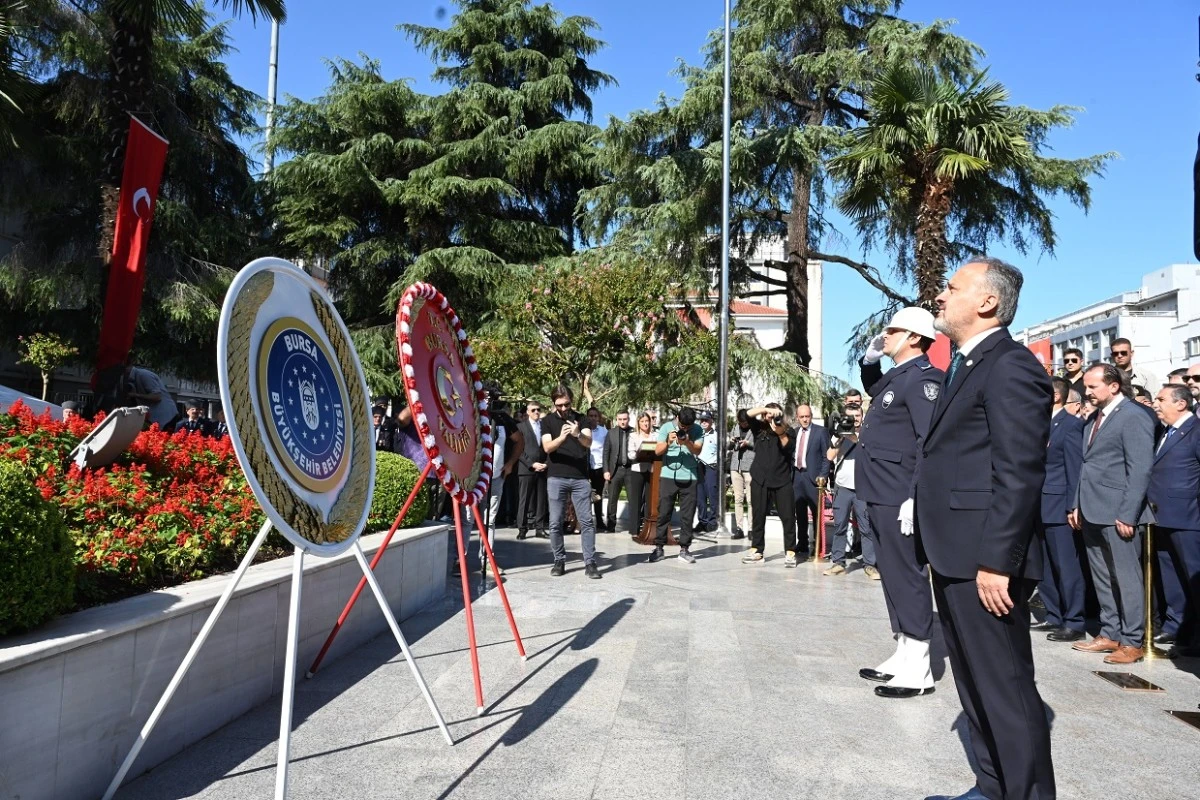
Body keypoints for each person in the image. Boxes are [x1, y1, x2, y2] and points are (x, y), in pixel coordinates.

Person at [918, 257, 1055, 800]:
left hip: (985, 560)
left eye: (952, 288)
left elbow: (1019, 472)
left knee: (1006, 692)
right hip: (954, 552)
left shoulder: (1011, 366)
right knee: (975, 687)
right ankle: (993, 786)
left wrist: (998, 561)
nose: (941, 296)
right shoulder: (967, 363)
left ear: (987, 302)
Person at [855, 306, 943, 700]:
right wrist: (869, 361)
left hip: (898, 493)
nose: (885, 336)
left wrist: (914, 494)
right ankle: (904, 652)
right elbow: (876, 389)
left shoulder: (924, 380)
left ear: (914, 338)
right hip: (879, 490)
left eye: (893, 331)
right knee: (890, 573)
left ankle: (920, 666)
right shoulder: (900, 376)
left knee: (907, 575)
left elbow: (929, 443)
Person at [1070, 363, 1155, 664]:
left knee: (1127, 579)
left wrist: (1128, 514)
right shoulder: (1096, 417)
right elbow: (1087, 464)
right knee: (1102, 577)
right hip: (1092, 509)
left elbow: (1140, 469)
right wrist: (1077, 504)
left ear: (1114, 386)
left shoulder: (1133, 416)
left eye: (1093, 387)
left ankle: (1132, 641)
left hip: (1119, 513)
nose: (1087, 392)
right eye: (1086, 387)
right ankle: (1110, 633)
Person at [1031, 377, 1087, 644]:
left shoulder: (1071, 425)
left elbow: (1074, 469)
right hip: (1037, 504)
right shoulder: (1038, 423)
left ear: (1055, 396)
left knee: (1066, 566)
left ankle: (1074, 620)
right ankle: (1053, 614)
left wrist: (1072, 505)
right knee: (1044, 566)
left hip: (1058, 505)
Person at [1148, 384, 1200, 659]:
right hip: (1162, 516)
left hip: (1188, 517)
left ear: (1181, 404)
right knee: (1171, 576)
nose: (1156, 404)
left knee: (1193, 578)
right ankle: (1175, 625)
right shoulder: (1165, 430)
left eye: (1161, 399)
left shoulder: (1195, 430)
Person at [541, 385, 601, 579]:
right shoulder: (547, 421)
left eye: (566, 404)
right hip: (556, 476)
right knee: (555, 522)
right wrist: (562, 437)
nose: (564, 408)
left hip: (580, 477)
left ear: (571, 401)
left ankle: (590, 562)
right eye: (559, 405)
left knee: (586, 521)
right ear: (554, 403)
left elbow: (588, 442)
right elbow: (547, 447)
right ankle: (559, 560)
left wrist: (577, 434)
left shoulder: (582, 419)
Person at [822, 405, 878, 579]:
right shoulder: (840, 433)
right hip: (843, 487)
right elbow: (829, 456)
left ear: (862, 416)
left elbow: (868, 450)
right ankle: (838, 563)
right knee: (840, 526)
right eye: (851, 416)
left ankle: (870, 565)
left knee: (866, 528)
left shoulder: (869, 433)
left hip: (863, 488)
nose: (855, 419)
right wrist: (839, 437)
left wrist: (853, 437)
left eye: (857, 415)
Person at [740, 403, 798, 566]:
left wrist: (780, 432)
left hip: (781, 481)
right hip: (760, 480)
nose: (771, 418)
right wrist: (766, 410)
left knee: (788, 517)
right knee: (758, 516)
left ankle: (790, 551)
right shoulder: (759, 428)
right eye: (768, 415)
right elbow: (747, 414)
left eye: (775, 415)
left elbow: (788, 447)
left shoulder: (788, 431)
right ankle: (757, 550)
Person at [648, 407, 704, 564]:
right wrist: (668, 441)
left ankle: (684, 549)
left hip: (690, 476)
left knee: (687, 514)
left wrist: (687, 442)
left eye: (688, 427)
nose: (684, 429)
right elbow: (658, 451)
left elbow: (698, 451)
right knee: (664, 512)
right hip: (668, 475)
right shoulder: (666, 427)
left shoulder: (697, 430)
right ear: (677, 418)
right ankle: (659, 547)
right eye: (682, 426)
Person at [791, 404, 830, 559]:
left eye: (807, 416)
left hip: (814, 478)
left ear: (811, 416)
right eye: (802, 417)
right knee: (799, 512)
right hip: (797, 476)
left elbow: (827, 457)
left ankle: (818, 545)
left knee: (816, 513)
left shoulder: (821, 432)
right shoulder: (794, 433)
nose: (805, 419)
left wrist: (823, 476)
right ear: (797, 417)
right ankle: (802, 543)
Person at [516, 400, 549, 540]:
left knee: (541, 500)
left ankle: (540, 528)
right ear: (528, 412)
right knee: (524, 500)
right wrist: (531, 464)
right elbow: (518, 450)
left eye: (538, 409)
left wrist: (546, 463)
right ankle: (522, 528)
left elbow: (549, 446)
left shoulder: (545, 426)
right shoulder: (520, 427)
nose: (536, 412)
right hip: (526, 468)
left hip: (543, 468)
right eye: (533, 410)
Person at [602, 409, 633, 533]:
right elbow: (606, 453)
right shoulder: (611, 433)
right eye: (620, 419)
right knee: (612, 500)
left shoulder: (634, 432)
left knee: (633, 500)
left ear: (628, 419)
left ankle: (634, 527)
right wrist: (606, 470)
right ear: (617, 420)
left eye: (625, 419)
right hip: (615, 470)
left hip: (631, 470)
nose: (622, 422)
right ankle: (611, 526)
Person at [625, 412, 655, 539]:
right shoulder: (633, 436)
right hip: (637, 469)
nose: (645, 423)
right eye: (642, 421)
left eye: (647, 421)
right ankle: (634, 530)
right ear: (638, 423)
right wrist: (638, 454)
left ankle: (648, 527)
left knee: (650, 500)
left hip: (652, 470)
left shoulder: (655, 435)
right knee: (636, 500)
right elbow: (630, 454)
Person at [124, 363, 179, 431]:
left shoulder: (144, 375)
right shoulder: (131, 378)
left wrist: (135, 395)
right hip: (155, 419)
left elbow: (157, 397)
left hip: (166, 417)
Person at [728, 409, 755, 540]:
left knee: (751, 500)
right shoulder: (735, 428)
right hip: (735, 466)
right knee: (738, 499)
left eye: (744, 422)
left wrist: (748, 444)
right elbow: (728, 446)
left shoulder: (755, 429)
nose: (743, 425)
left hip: (750, 467)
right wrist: (731, 441)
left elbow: (760, 445)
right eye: (740, 422)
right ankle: (739, 528)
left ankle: (751, 529)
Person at [694, 411, 720, 532]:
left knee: (712, 495)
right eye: (702, 420)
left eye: (706, 420)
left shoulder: (716, 436)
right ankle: (702, 521)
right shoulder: (697, 435)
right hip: (699, 467)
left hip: (711, 467)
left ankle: (713, 521)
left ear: (711, 421)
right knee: (700, 497)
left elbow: (721, 453)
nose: (704, 422)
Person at [585, 407, 609, 530]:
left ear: (598, 417)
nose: (593, 418)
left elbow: (607, 450)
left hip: (599, 467)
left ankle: (599, 521)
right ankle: (585, 522)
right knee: (585, 495)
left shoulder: (603, 431)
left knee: (598, 496)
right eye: (591, 416)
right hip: (586, 467)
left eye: (595, 416)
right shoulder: (583, 430)